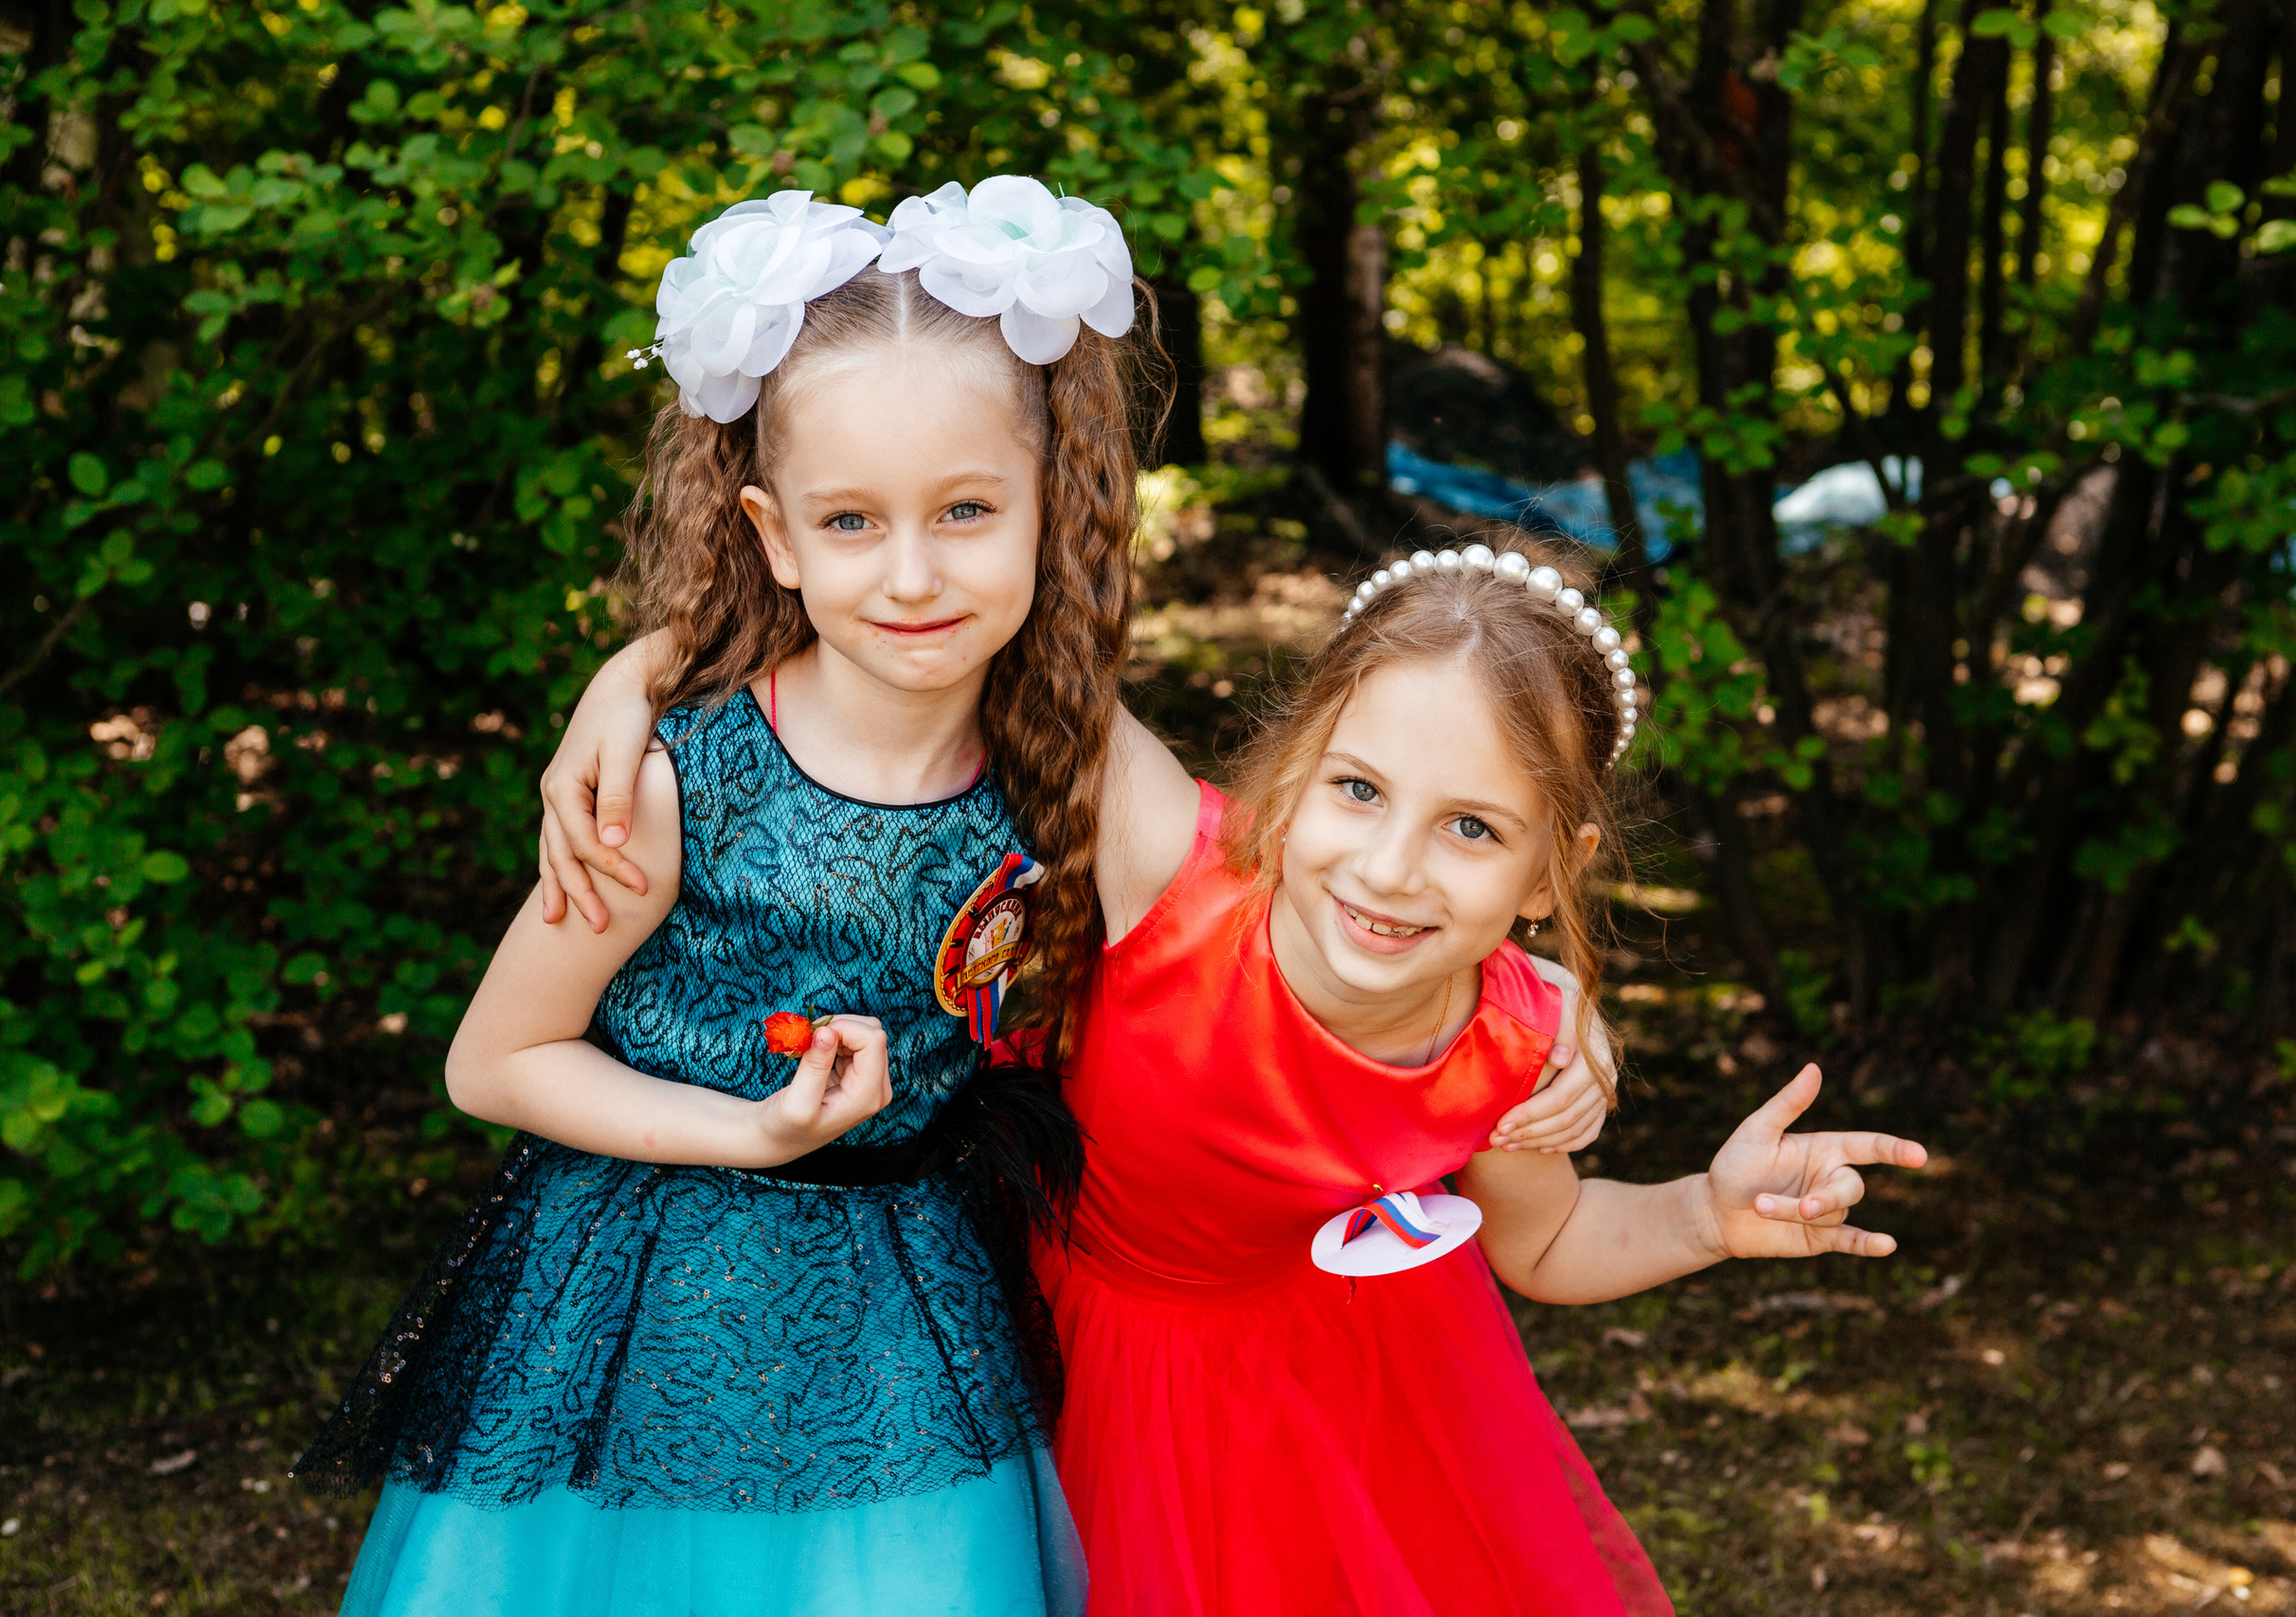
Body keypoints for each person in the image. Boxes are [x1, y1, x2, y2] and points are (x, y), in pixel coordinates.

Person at [540, 528, 1928, 1615]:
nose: (1388, 870)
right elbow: (956, 630)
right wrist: (644, 666)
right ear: (1292, 768)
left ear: (1545, 872)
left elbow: (1550, 1236)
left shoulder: (1505, 1038)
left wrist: (1703, 1212)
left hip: (1310, 1409)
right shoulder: (1169, 864)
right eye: (1359, 791)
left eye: (1472, 829)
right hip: (1024, 1332)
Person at [292, 179, 1155, 1616]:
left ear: (1048, 505)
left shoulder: (1066, 758)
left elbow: (1271, 906)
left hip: (916, 1331)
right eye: (853, 522)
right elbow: (493, 1061)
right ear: (774, 534)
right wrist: (743, 1133)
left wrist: (1515, 999)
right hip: (649, 1312)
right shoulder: (679, 781)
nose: (917, 573)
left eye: (966, 510)